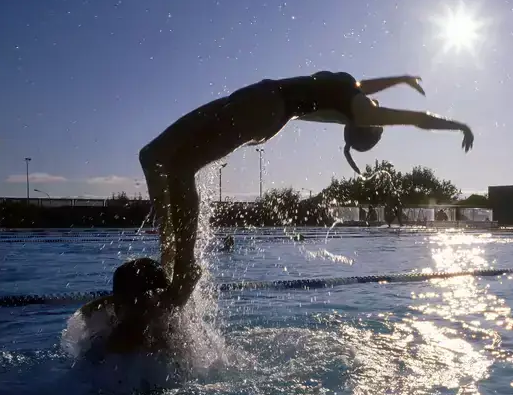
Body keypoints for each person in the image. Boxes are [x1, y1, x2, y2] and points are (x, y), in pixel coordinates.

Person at [138, 71, 475, 291]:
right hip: (257, 95)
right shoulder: (350, 94)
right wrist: (401, 79)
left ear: (368, 125)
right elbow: (363, 86)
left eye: (379, 115)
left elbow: (417, 120)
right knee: (152, 155)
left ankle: (184, 265)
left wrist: (457, 125)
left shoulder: (363, 111)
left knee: (181, 168)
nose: (380, 107)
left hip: (265, 106)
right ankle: (169, 246)